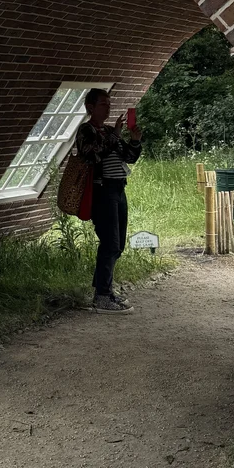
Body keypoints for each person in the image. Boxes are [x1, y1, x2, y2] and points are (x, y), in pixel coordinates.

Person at [75, 89, 143, 313]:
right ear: (91, 107)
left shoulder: (107, 131)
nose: (108, 108)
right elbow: (92, 155)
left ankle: (104, 291)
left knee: (118, 244)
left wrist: (134, 141)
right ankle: (102, 296)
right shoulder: (87, 130)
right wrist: (115, 135)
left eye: (109, 104)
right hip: (102, 191)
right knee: (110, 242)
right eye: (103, 104)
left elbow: (128, 157)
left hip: (118, 189)